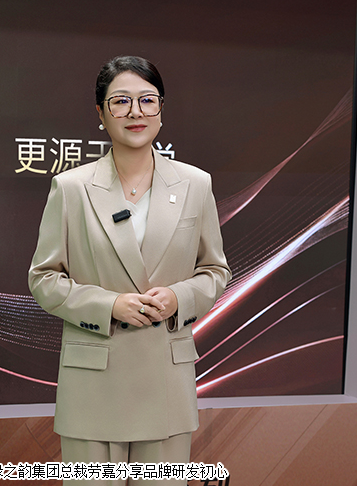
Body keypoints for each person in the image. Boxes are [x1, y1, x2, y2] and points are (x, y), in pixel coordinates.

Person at [28, 55, 231, 485]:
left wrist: (178, 298)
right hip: (94, 384)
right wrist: (109, 306)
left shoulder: (196, 185)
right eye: (120, 101)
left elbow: (214, 270)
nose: (135, 112)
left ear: (161, 109)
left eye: (147, 100)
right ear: (100, 114)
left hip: (165, 382)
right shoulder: (72, 188)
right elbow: (44, 279)